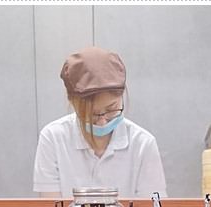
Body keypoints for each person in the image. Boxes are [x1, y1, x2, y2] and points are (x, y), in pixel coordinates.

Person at [33, 47, 167, 198]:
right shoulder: (53, 138)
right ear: (72, 102)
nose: (103, 122)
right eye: (92, 114)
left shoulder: (143, 144)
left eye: (111, 109)